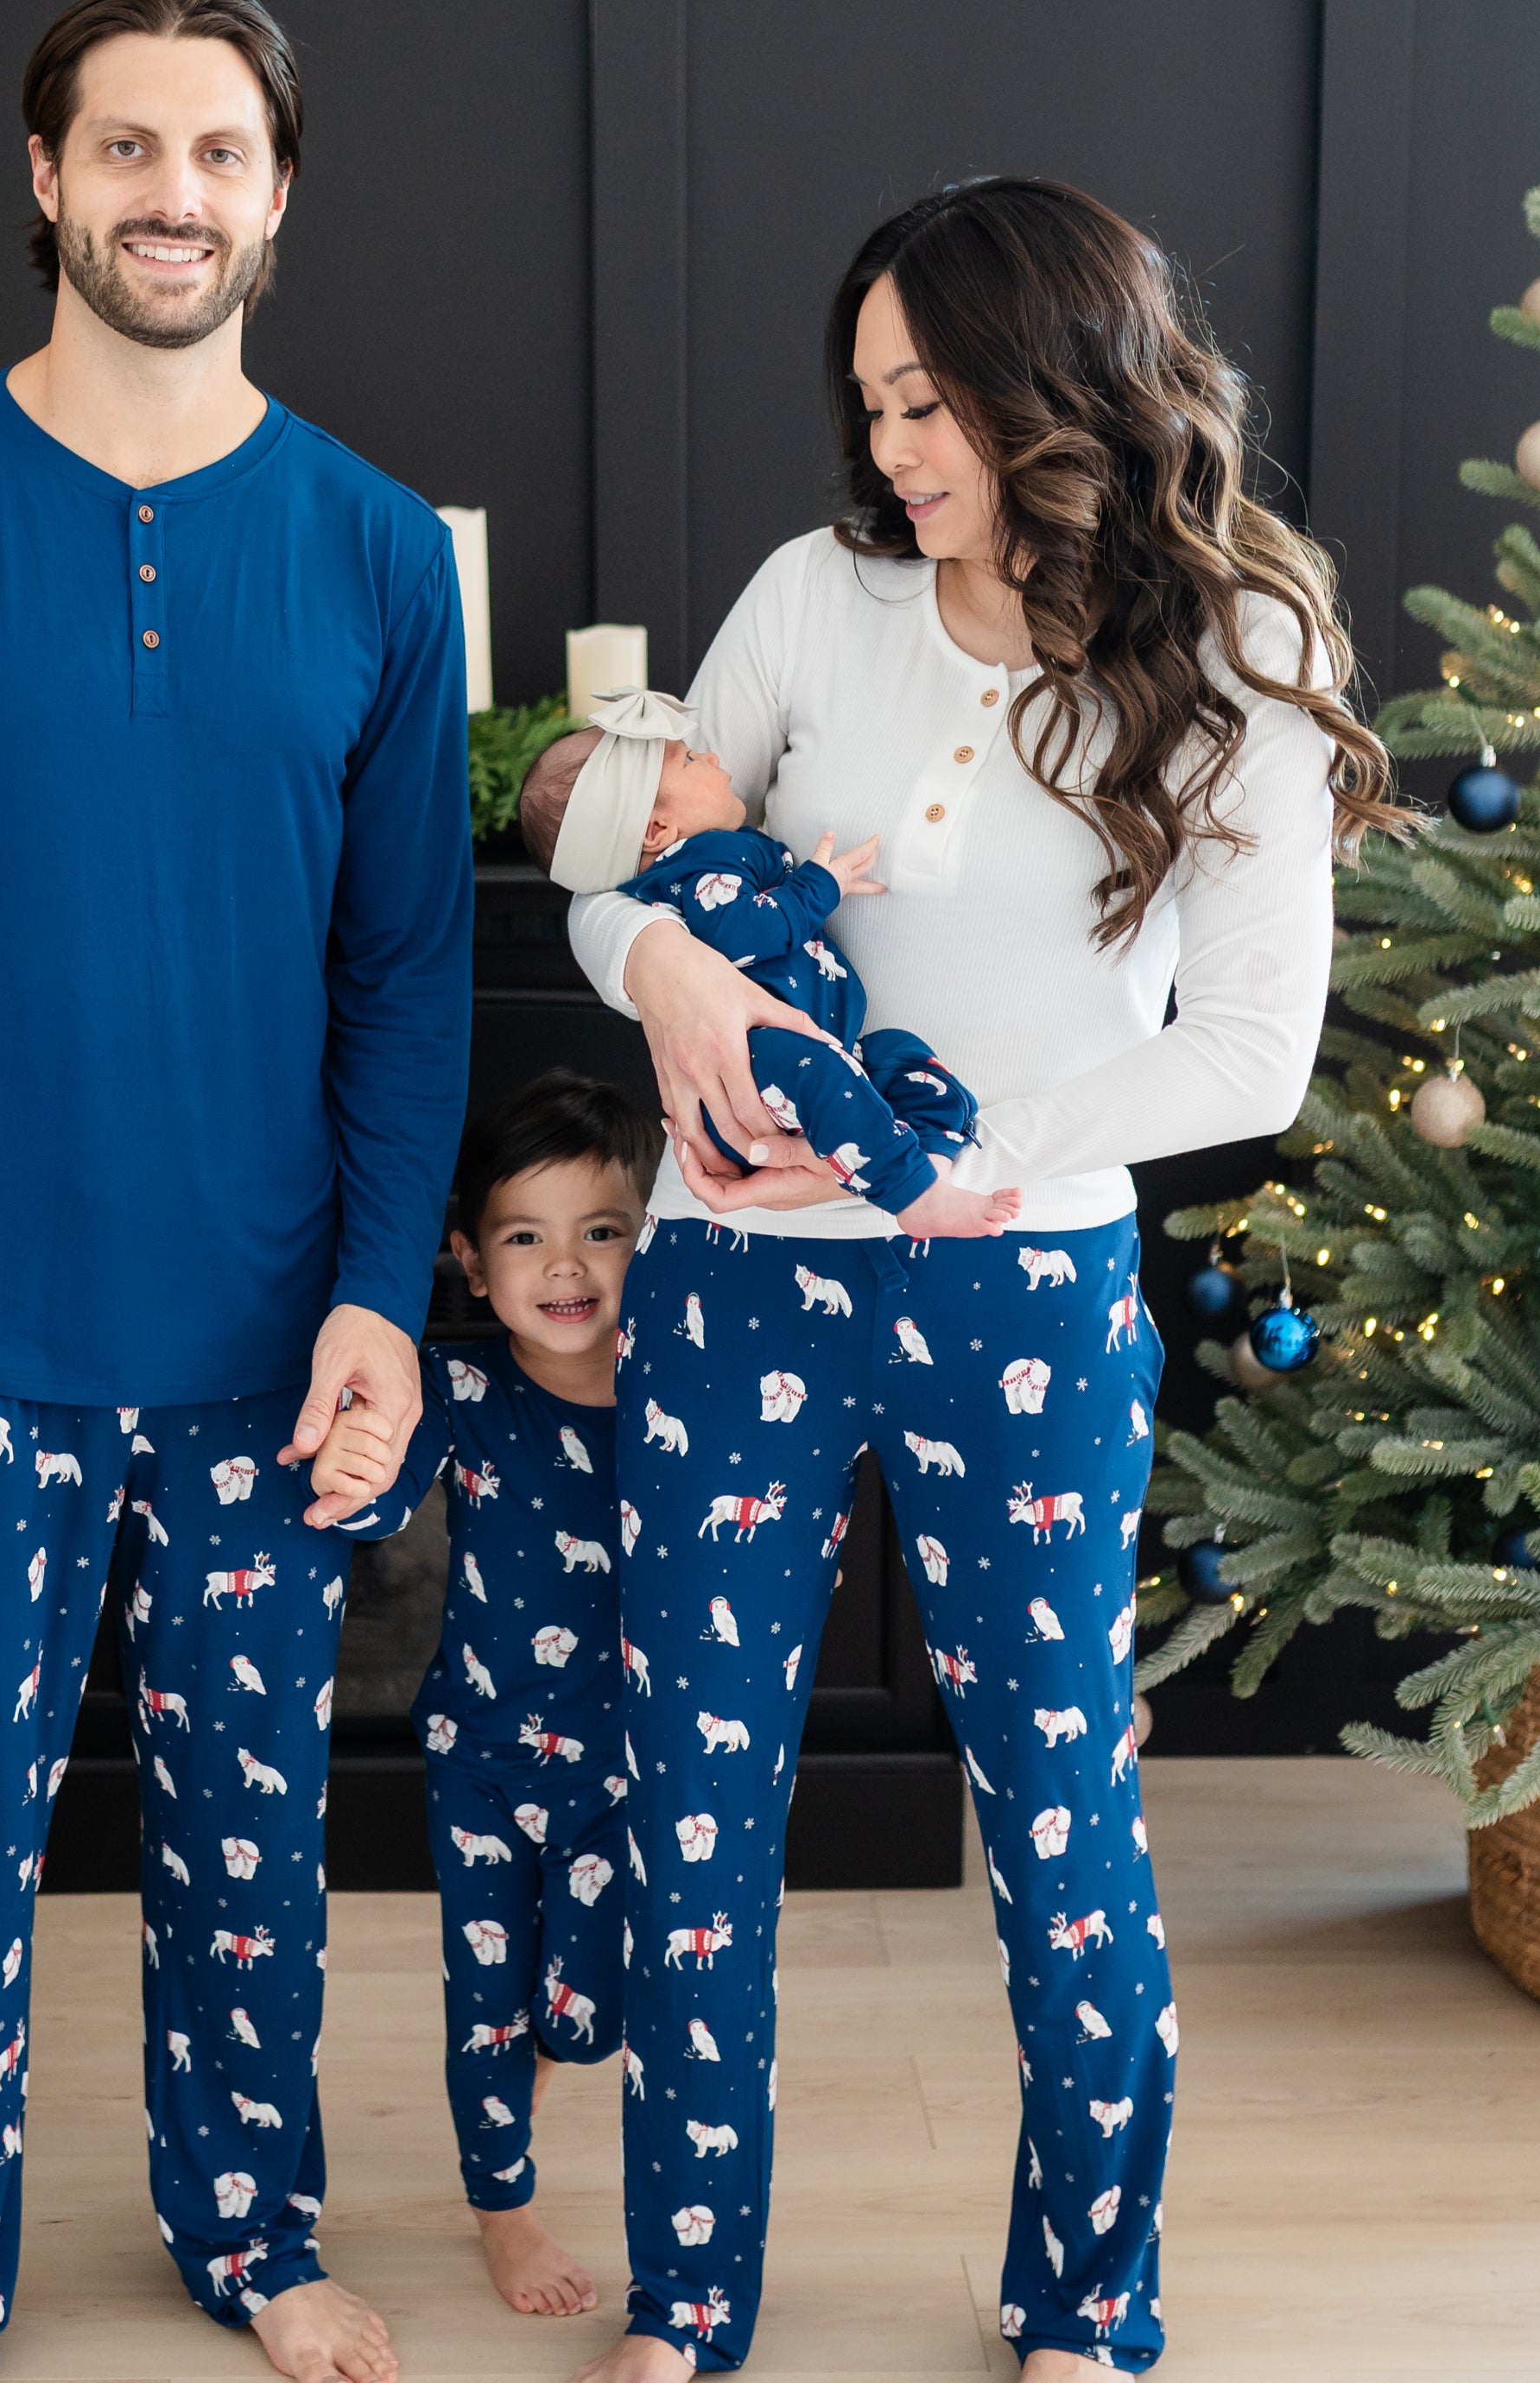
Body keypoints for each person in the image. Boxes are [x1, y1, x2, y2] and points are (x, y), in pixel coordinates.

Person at [557, 179, 1406, 2383]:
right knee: (697, 1791)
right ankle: (689, 2302)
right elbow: (612, 852)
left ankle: (1086, 2304)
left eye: (928, 398)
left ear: (1062, 389)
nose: (893, 448)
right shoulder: (806, 599)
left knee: (1056, 1806)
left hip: (1017, 1296)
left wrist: (981, 1168)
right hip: (735, 1284)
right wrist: (665, 976)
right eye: (870, 402)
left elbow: (1251, 1051)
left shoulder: (1240, 668)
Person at [0, 0, 471, 2383]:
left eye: (220, 152)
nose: (175, 193)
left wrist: (375, 1298)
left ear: (278, 197)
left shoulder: (367, 551)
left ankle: (249, 2235)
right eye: (128, 148)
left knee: (253, 1869)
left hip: (264, 1347)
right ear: (46, 179)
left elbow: (406, 982)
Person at [311, 1071, 660, 2323]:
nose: (565, 1267)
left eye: (601, 1231)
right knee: (486, 1996)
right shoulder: (461, 1397)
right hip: (486, 1757)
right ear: (471, 1260)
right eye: (527, 1236)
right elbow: (376, 1496)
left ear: (647, 1239)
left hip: (636, 1769)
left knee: (586, 2009)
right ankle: (501, 2206)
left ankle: (548, 2061)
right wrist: (354, 1462)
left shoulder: (689, 1395)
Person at [519, 693, 1014, 1237]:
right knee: (834, 1079)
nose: (709, 758)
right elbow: (743, 932)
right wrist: (819, 888)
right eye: (688, 761)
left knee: (903, 1056)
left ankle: (931, 1168)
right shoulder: (696, 866)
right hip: (759, 1062)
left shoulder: (709, 855)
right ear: (656, 831)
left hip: (816, 1052)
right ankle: (913, 1195)